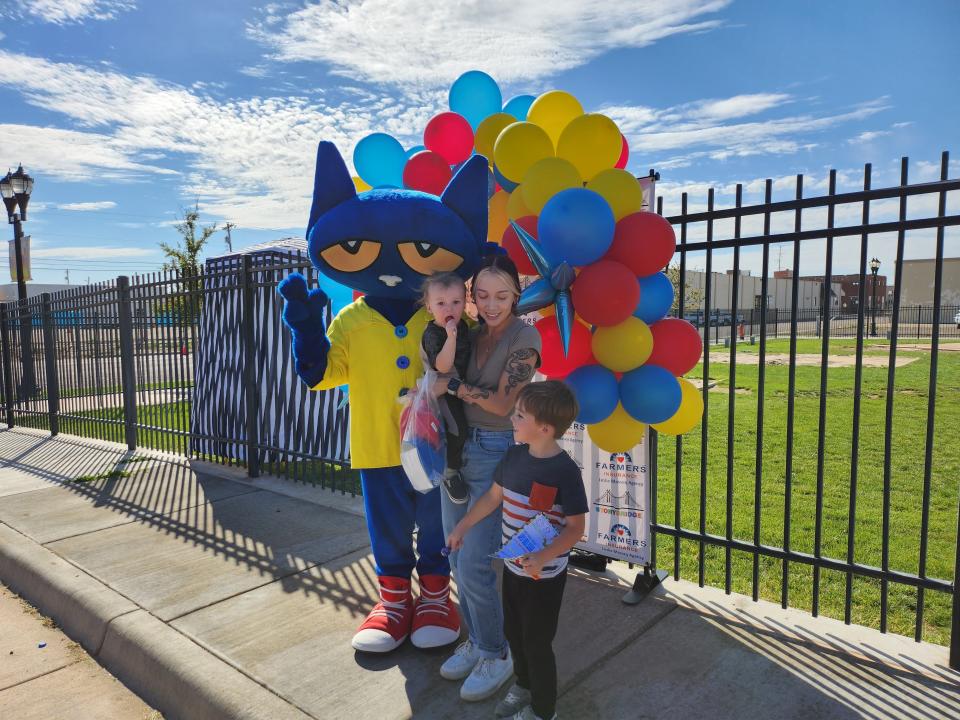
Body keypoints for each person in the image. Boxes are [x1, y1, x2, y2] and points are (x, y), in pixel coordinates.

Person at [432, 254, 541, 701]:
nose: (491, 304)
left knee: (476, 563)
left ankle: (497, 653)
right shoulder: (469, 334)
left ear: (516, 294)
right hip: (455, 450)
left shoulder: (524, 335)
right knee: (456, 557)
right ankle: (477, 642)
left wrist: (453, 387)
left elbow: (501, 404)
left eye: (501, 295)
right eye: (482, 295)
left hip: (495, 453)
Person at [446, 381, 585, 720]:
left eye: (520, 415)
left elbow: (575, 528)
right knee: (515, 634)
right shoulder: (513, 456)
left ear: (545, 428)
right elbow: (493, 498)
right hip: (513, 567)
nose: (512, 418)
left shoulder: (565, 471)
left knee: (537, 644)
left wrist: (543, 556)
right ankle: (523, 685)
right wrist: (463, 526)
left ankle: (542, 710)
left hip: (543, 576)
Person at [420, 272, 471, 504]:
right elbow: (442, 365)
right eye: (441, 303)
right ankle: (450, 472)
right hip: (442, 392)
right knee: (457, 429)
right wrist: (451, 338)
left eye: (456, 302)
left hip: (459, 388)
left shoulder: (465, 328)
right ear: (429, 306)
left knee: (462, 429)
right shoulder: (433, 333)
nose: (448, 308)